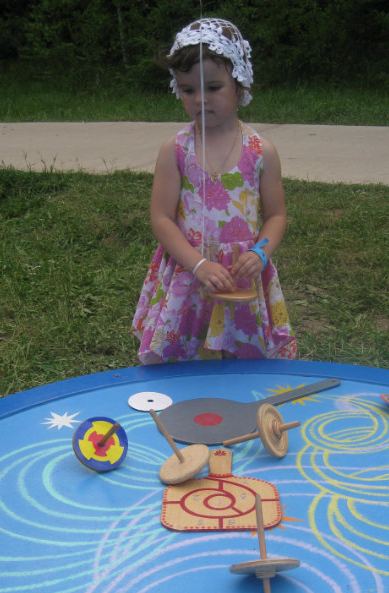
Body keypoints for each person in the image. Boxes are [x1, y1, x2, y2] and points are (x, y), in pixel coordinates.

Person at [131, 18, 297, 363]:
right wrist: (200, 265)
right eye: (188, 90)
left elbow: (276, 215)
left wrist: (261, 252)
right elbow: (161, 218)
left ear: (240, 84)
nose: (200, 99)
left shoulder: (260, 151)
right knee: (185, 361)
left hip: (241, 275)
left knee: (242, 359)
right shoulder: (176, 150)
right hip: (190, 272)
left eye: (214, 87)